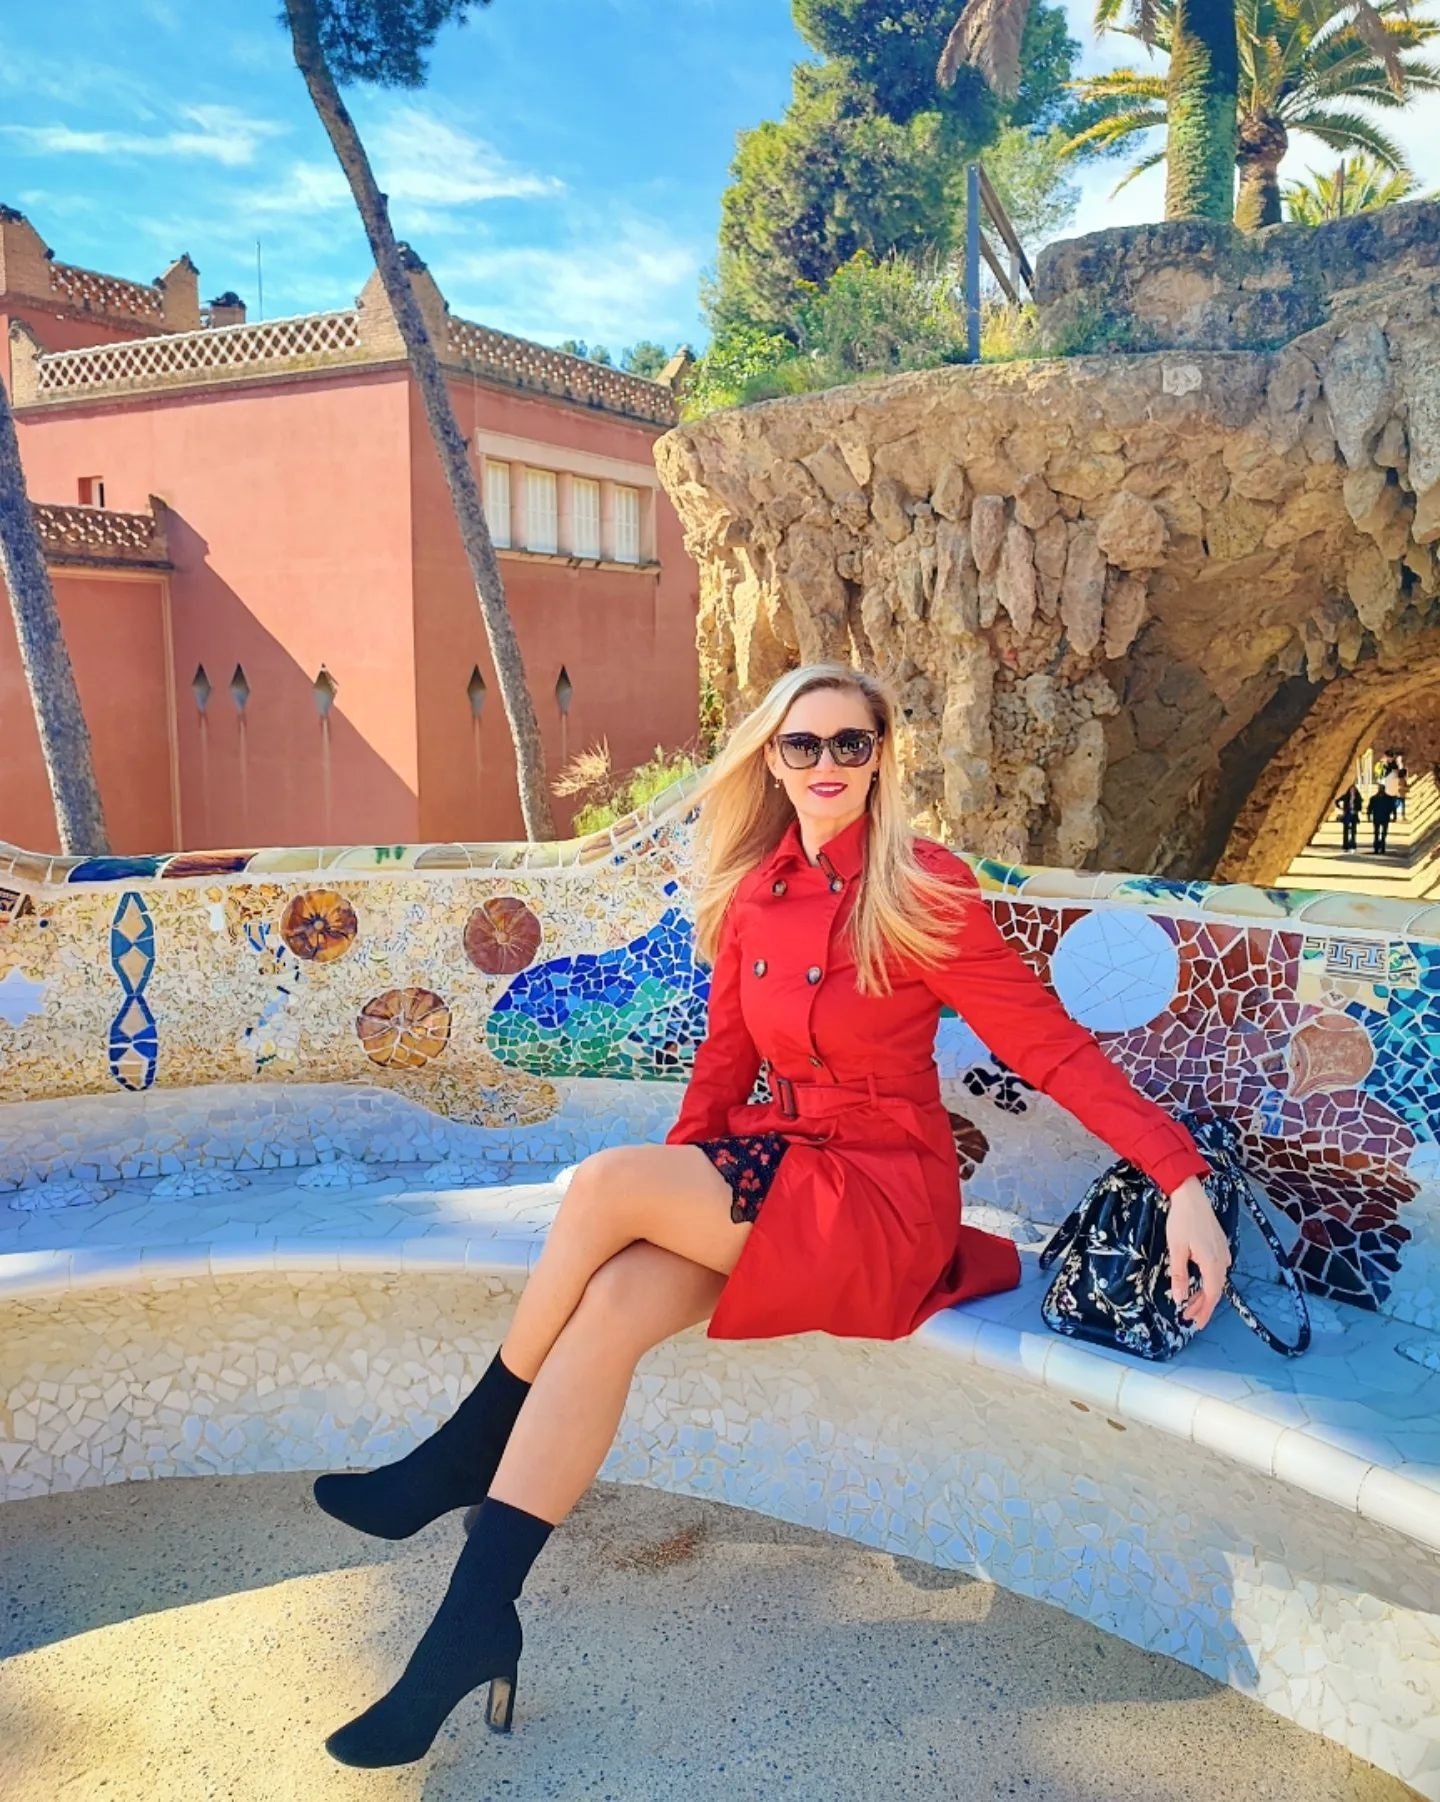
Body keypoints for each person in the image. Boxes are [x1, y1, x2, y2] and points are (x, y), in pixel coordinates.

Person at [310, 660, 1228, 1769]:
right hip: (780, 1172)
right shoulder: (757, 893)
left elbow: (1050, 1048)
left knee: (605, 1185)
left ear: (881, 758)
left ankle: (467, 1444)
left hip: (881, 1199)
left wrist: (1179, 1178)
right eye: (804, 744)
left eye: (851, 743)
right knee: (612, 1299)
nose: (827, 762)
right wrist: (672, 1200)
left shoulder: (923, 888)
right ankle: (471, 1624)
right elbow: (720, 1069)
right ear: (773, 761)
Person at [1368, 783, 1398, 854]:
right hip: (1378, 817)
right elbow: (1370, 808)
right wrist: (1369, 816)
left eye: (1381, 789)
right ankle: (1376, 847)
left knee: (1383, 833)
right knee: (1377, 833)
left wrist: (1394, 816)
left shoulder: (1388, 798)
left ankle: (1382, 846)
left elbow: (1393, 808)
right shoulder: (1374, 798)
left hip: (1384, 817)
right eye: (1380, 789)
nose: (1380, 790)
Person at [1335, 781, 1364, 852]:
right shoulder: (1346, 796)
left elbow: (1360, 806)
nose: (1352, 791)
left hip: (1354, 814)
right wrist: (1340, 807)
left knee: (1353, 830)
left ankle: (1353, 843)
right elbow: (1337, 801)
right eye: (1351, 790)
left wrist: (1356, 810)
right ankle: (1345, 844)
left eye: (1353, 790)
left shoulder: (1358, 797)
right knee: (1346, 830)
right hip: (1347, 814)